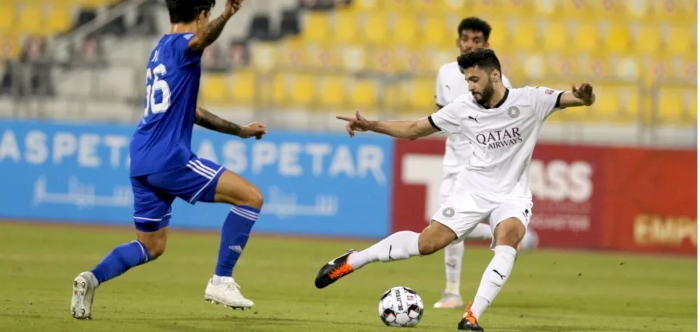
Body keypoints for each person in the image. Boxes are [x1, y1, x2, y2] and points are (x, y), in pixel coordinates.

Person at [316, 48, 595, 331]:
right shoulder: (463, 108)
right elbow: (414, 128)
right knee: (427, 245)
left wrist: (585, 97)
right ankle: (355, 259)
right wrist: (371, 125)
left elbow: (574, 99)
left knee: (508, 239)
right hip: (473, 189)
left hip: (512, 195)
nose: (470, 86)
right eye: (466, 80)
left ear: (495, 75)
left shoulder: (531, 99)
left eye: (474, 79)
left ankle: (471, 316)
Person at [70, 0, 268, 319]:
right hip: (169, 159)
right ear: (202, 15)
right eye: (209, 16)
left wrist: (239, 131)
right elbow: (201, 40)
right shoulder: (184, 46)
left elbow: (192, 111)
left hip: (142, 159)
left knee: (151, 246)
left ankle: (90, 279)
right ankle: (221, 278)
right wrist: (229, 14)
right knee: (251, 198)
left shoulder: (160, 48)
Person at [433, 16, 514, 310]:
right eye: (465, 39)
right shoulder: (444, 73)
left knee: (448, 224)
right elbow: (442, 117)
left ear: (486, 45)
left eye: (476, 41)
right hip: (453, 162)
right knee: (444, 225)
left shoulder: (499, 80)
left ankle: (452, 292)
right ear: (458, 42)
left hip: (483, 164)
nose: (469, 45)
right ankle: (507, 233)